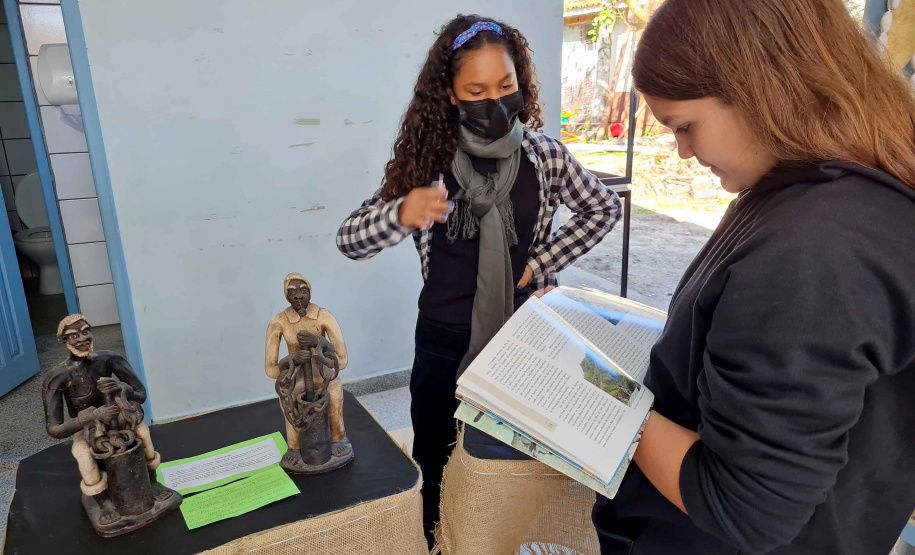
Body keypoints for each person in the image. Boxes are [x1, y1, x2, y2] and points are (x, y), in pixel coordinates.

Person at [591, 1, 915, 554]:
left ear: (760, 87)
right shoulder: (827, 192)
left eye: (686, 127)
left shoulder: (817, 251)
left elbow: (743, 506)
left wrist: (604, 403)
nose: (684, 151)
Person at [337, 14, 620, 543]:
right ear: (450, 93)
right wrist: (400, 212)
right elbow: (349, 240)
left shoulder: (546, 159)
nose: (494, 101)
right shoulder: (428, 164)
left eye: (505, 86)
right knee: (436, 454)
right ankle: (434, 539)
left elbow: (603, 210)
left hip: (523, 339)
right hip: (444, 339)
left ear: (521, 82)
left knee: (511, 457)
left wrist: (540, 262)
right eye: (476, 90)